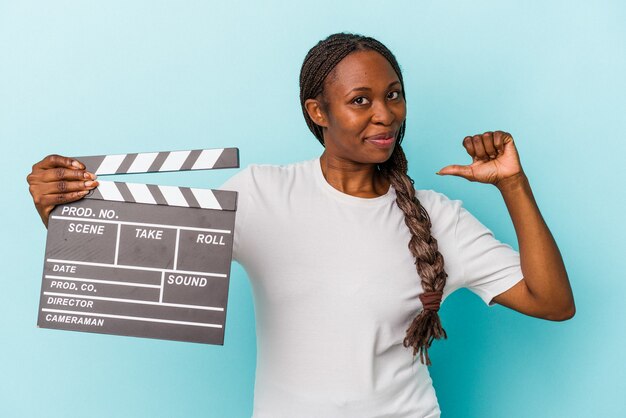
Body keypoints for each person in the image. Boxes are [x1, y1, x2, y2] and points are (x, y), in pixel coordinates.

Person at [26, 33, 575, 417]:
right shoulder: (262, 193)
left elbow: (552, 302)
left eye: (393, 95)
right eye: (360, 100)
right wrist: (62, 209)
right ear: (319, 111)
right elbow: (144, 260)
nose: (385, 114)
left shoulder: (437, 216)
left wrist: (513, 185)